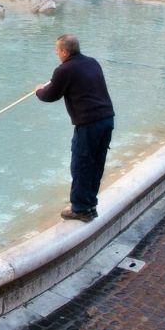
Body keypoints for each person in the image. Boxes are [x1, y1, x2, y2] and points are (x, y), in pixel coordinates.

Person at [35, 34, 115, 222]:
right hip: (106, 119)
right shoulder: (92, 62)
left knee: (81, 164)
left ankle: (80, 209)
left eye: (57, 50)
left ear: (64, 51)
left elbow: (50, 95)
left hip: (89, 123)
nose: (56, 53)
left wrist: (38, 91)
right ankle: (90, 205)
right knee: (96, 163)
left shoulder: (64, 69)